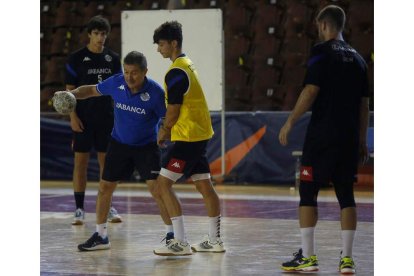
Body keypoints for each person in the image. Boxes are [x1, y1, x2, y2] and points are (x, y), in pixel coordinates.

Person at [278, 5, 370, 274]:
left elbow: (310, 90)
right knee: (346, 195)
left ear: (323, 25)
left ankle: (308, 257)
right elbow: (364, 105)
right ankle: (347, 260)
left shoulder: (320, 52)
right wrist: (361, 139)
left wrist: (290, 121)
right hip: (349, 137)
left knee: (308, 191)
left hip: (322, 135)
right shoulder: (359, 59)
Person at [54, 51, 174, 251]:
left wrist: (164, 133)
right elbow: (91, 90)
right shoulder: (117, 82)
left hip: (146, 147)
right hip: (119, 145)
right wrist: (71, 94)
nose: (129, 77)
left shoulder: (155, 93)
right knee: (104, 188)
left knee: (157, 190)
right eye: (126, 72)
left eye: (134, 73)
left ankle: (172, 235)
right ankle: (101, 236)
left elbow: (169, 118)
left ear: (145, 72)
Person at [152, 21, 225, 256]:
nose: (158, 49)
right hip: (199, 135)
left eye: (161, 44)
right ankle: (215, 240)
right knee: (205, 186)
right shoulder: (188, 64)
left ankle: (180, 242)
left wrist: (163, 131)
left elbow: (173, 111)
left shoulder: (176, 71)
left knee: (162, 186)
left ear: (173, 43)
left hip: (188, 138)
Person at [65, 15, 122, 225]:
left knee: (106, 165)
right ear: (90, 34)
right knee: (80, 163)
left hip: (106, 119)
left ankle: (107, 206)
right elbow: (69, 92)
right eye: (97, 33)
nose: (100, 38)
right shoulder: (76, 59)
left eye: (104, 34)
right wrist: (73, 117)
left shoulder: (113, 59)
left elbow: (118, 90)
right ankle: (79, 208)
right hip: (82, 120)